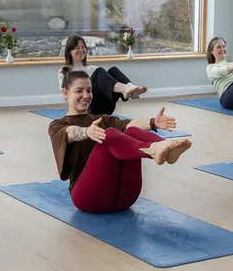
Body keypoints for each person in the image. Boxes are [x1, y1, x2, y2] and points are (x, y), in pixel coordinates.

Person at [48, 67, 192, 213]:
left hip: (125, 198)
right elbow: (70, 133)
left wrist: (153, 122)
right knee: (109, 134)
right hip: (88, 198)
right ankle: (152, 149)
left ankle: (163, 146)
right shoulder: (57, 126)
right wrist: (87, 132)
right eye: (79, 91)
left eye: (89, 91)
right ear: (65, 93)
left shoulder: (102, 119)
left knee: (130, 132)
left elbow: (130, 125)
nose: (86, 95)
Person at [59, 35, 147, 115]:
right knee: (99, 71)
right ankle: (125, 89)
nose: (81, 50)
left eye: (83, 47)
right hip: (88, 107)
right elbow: (68, 96)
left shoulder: (92, 69)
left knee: (113, 70)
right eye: (77, 48)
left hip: (106, 104)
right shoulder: (65, 71)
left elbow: (107, 82)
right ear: (69, 51)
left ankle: (130, 89)